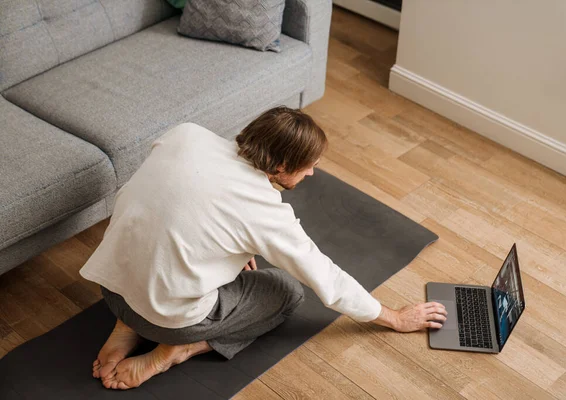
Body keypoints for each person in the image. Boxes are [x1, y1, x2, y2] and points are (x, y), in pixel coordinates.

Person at [79, 106, 447, 390]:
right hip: (169, 320)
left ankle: (126, 321)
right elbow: (326, 280)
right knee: (287, 292)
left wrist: (229, 245)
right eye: (309, 167)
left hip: (111, 286)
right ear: (282, 165)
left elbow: (166, 200)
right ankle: (174, 352)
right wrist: (394, 317)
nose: (312, 175)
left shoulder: (187, 134)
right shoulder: (263, 212)